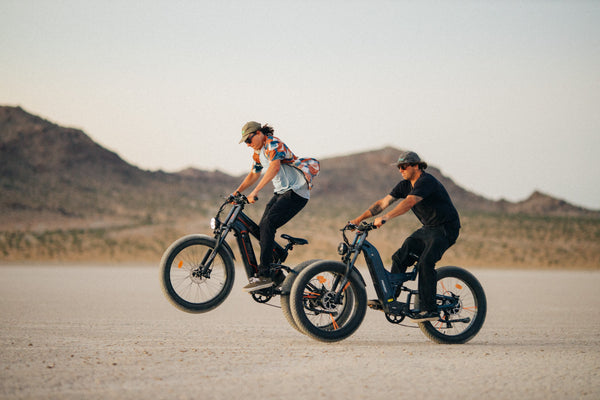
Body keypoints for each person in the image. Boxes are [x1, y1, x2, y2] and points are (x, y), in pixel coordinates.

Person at [349, 151, 460, 322]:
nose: (400, 170)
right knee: (400, 258)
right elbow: (382, 203)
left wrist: (386, 218)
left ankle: (429, 309)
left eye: (404, 166)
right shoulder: (404, 185)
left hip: (446, 228)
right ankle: (390, 298)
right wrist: (358, 219)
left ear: (416, 165)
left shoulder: (426, 181)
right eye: (399, 167)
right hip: (428, 228)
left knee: (425, 263)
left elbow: (409, 202)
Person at [234, 121, 320, 292]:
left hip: (296, 192)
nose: (248, 144)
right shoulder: (258, 154)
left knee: (268, 225)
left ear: (259, 133)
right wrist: (237, 192)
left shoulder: (273, 143)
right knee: (261, 229)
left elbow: (274, 167)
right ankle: (277, 263)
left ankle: (264, 274)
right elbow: (253, 174)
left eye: (249, 140)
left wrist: (255, 192)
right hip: (281, 193)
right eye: (245, 142)